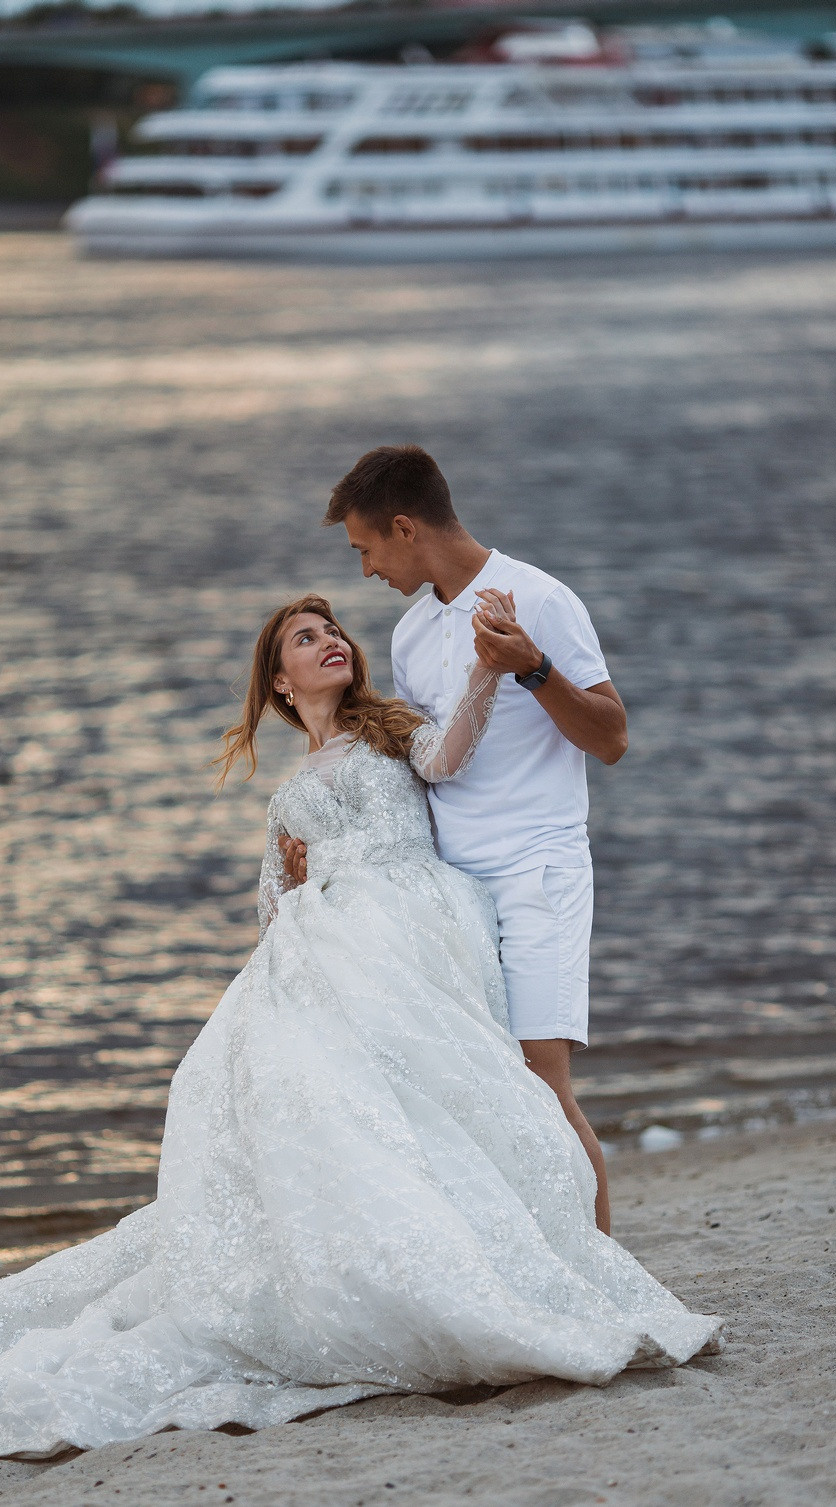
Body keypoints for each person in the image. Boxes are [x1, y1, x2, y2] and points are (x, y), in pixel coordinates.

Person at [0, 595, 719, 1477]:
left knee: (450, 1102)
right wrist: (298, 885)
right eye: (305, 637)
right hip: (335, 943)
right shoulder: (288, 797)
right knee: (308, 1090)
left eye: (333, 631)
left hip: (415, 925)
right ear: (281, 682)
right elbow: (272, 918)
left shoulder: (389, 731)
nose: (330, 641)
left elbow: (447, 760)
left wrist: (487, 670)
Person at [279, 444, 623, 1234]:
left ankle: (605, 1274)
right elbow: (419, 771)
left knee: (543, 1083)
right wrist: (323, 850)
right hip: (449, 897)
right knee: (481, 1092)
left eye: (366, 549)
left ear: (405, 528)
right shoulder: (408, 635)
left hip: (537, 871)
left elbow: (611, 737)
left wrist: (533, 668)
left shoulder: (541, 598)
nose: (366, 569)